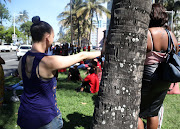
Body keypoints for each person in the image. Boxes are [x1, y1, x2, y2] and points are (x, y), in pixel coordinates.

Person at [17, 16, 101, 129]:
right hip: (45, 119)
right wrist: (103, 51)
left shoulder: (22, 60)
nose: (52, 40)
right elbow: (82, 55)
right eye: (52, 36)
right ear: (47, 37)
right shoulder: (47, 61)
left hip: (25, 115)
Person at [138, 4, 178, 129]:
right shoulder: (170, 34)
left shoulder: (148, 33)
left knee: (136, 111)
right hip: (165, 77)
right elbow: (175, 51)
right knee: (153, 112)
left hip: (148, 75)